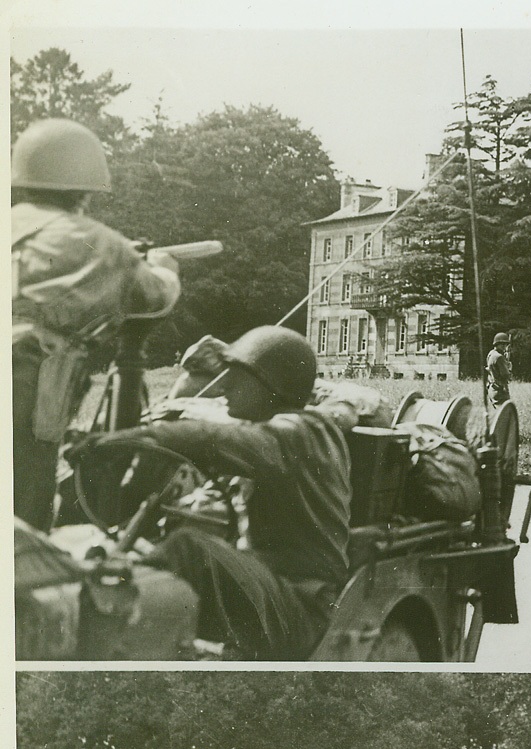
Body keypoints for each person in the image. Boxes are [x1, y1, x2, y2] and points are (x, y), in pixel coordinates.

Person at [79, 325, 351, 661]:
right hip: (277, 595)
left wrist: (141, 437)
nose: (224, 386)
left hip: (302, 610)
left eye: (238, 376)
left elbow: (217, 440)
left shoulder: (300, 434)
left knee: (189, 548)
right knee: (168, 542)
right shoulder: (290, 432)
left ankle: (112, 636)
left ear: (271, 385)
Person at [12, 118, 181, 532]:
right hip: (23, 387)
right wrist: (161, 265)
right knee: (23, 517)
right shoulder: (98, 241)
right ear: (87, 188)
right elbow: (156, 296)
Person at [486, 333, 513, 408]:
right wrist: (509, 367)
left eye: (505, 344)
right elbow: (506, 375)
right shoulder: (499, 357)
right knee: (504, 415)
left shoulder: (491, 353)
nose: (504, 346)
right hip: (500, 391)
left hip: (492, 388)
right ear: (496, 344)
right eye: (502, 344)